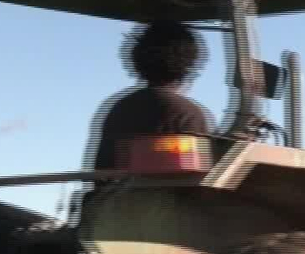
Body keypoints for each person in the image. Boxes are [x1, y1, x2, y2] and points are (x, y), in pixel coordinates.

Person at [89, 20, 214, 171]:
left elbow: (102, 170)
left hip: (115, 194)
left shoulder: (120, 109)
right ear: (189, 61)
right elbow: (200, 176)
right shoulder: (187, 113)